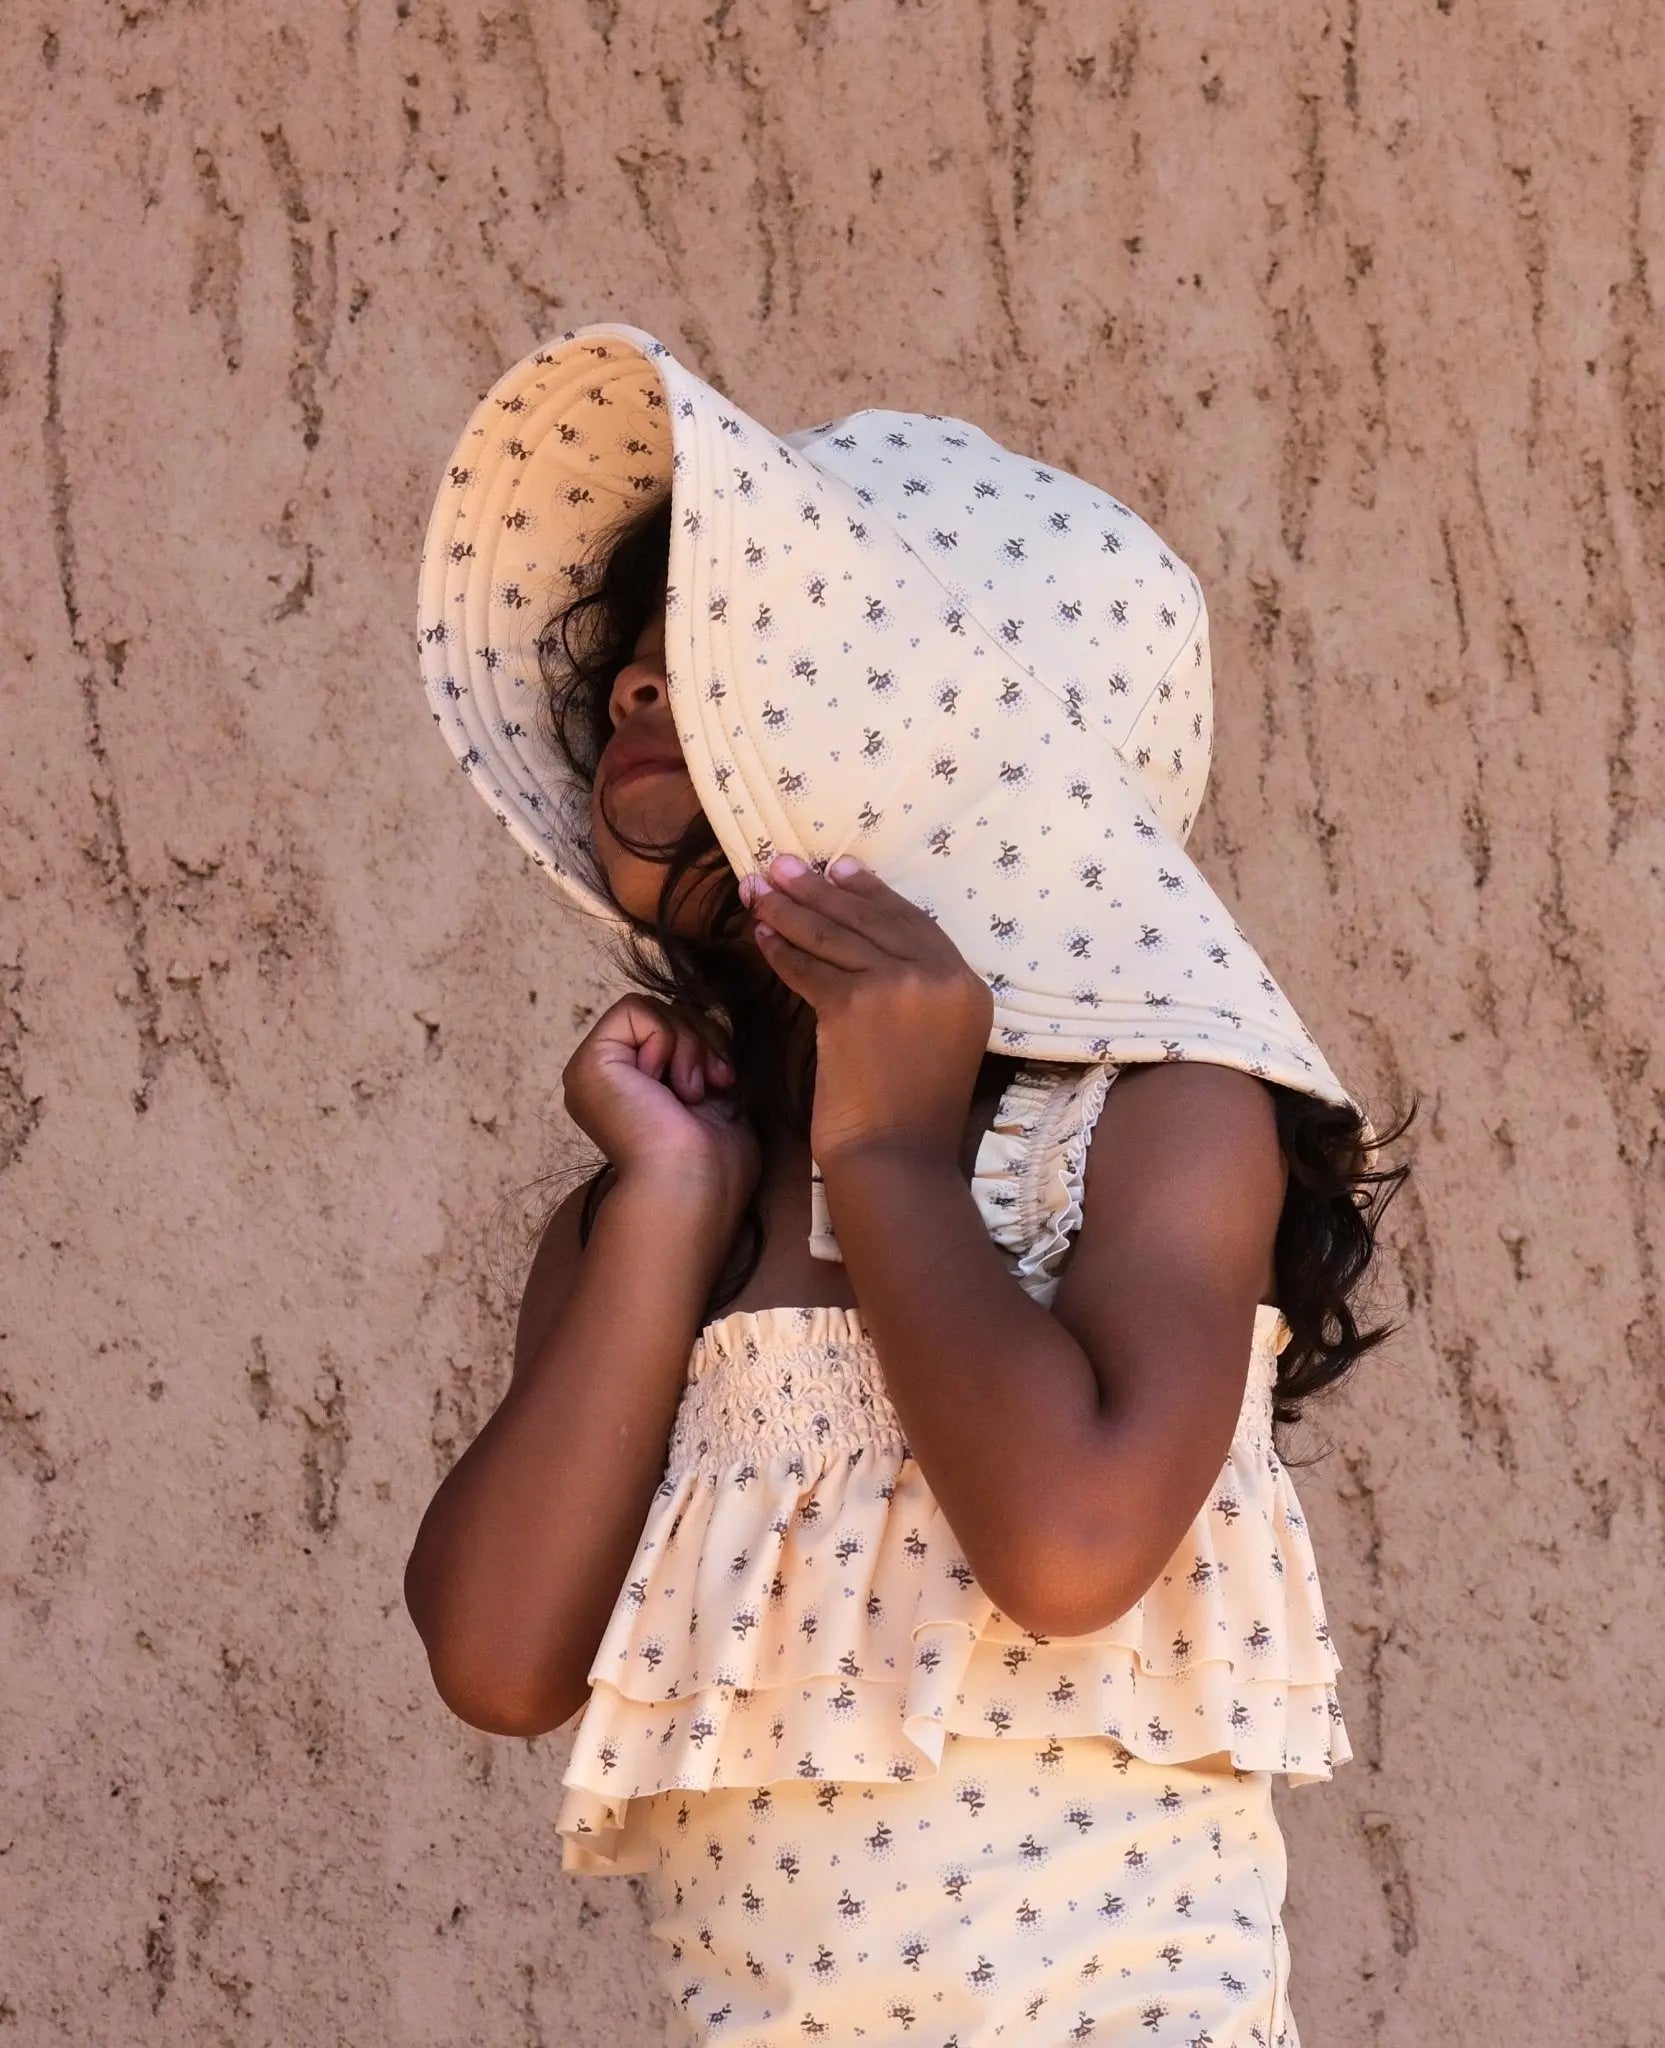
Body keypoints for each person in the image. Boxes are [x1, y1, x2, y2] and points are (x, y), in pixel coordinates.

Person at [404, 326, 1413, 2045]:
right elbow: (499, 1660)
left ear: (964, 756)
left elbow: (1072, 1547)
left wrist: (884, 1153)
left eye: (723, 655)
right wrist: (655, 1209)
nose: (642, 691)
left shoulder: (1153, 1122)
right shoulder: (676, 1205)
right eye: (637, 670)